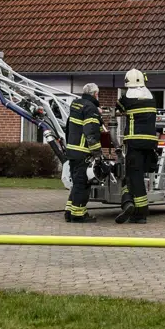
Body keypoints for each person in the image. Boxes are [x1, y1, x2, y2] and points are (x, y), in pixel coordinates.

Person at [115, 69, 158, 224]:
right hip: (151, 143)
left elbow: (118, 107)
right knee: (137, 176)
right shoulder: (151, 97)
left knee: (135, 176)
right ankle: (130, 202)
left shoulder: (127, 98)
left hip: (134, 142)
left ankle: (140, 214)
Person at [63, 83, 104, 224]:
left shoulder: (76, 105)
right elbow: (91, 132)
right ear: (95, 94)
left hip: (72, 150)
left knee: (76, 183)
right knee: (82, 184)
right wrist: (97, 153)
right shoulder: (90, 108)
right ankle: (78, 214)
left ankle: (69, 211)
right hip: (83, 152)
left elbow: (69, 126)